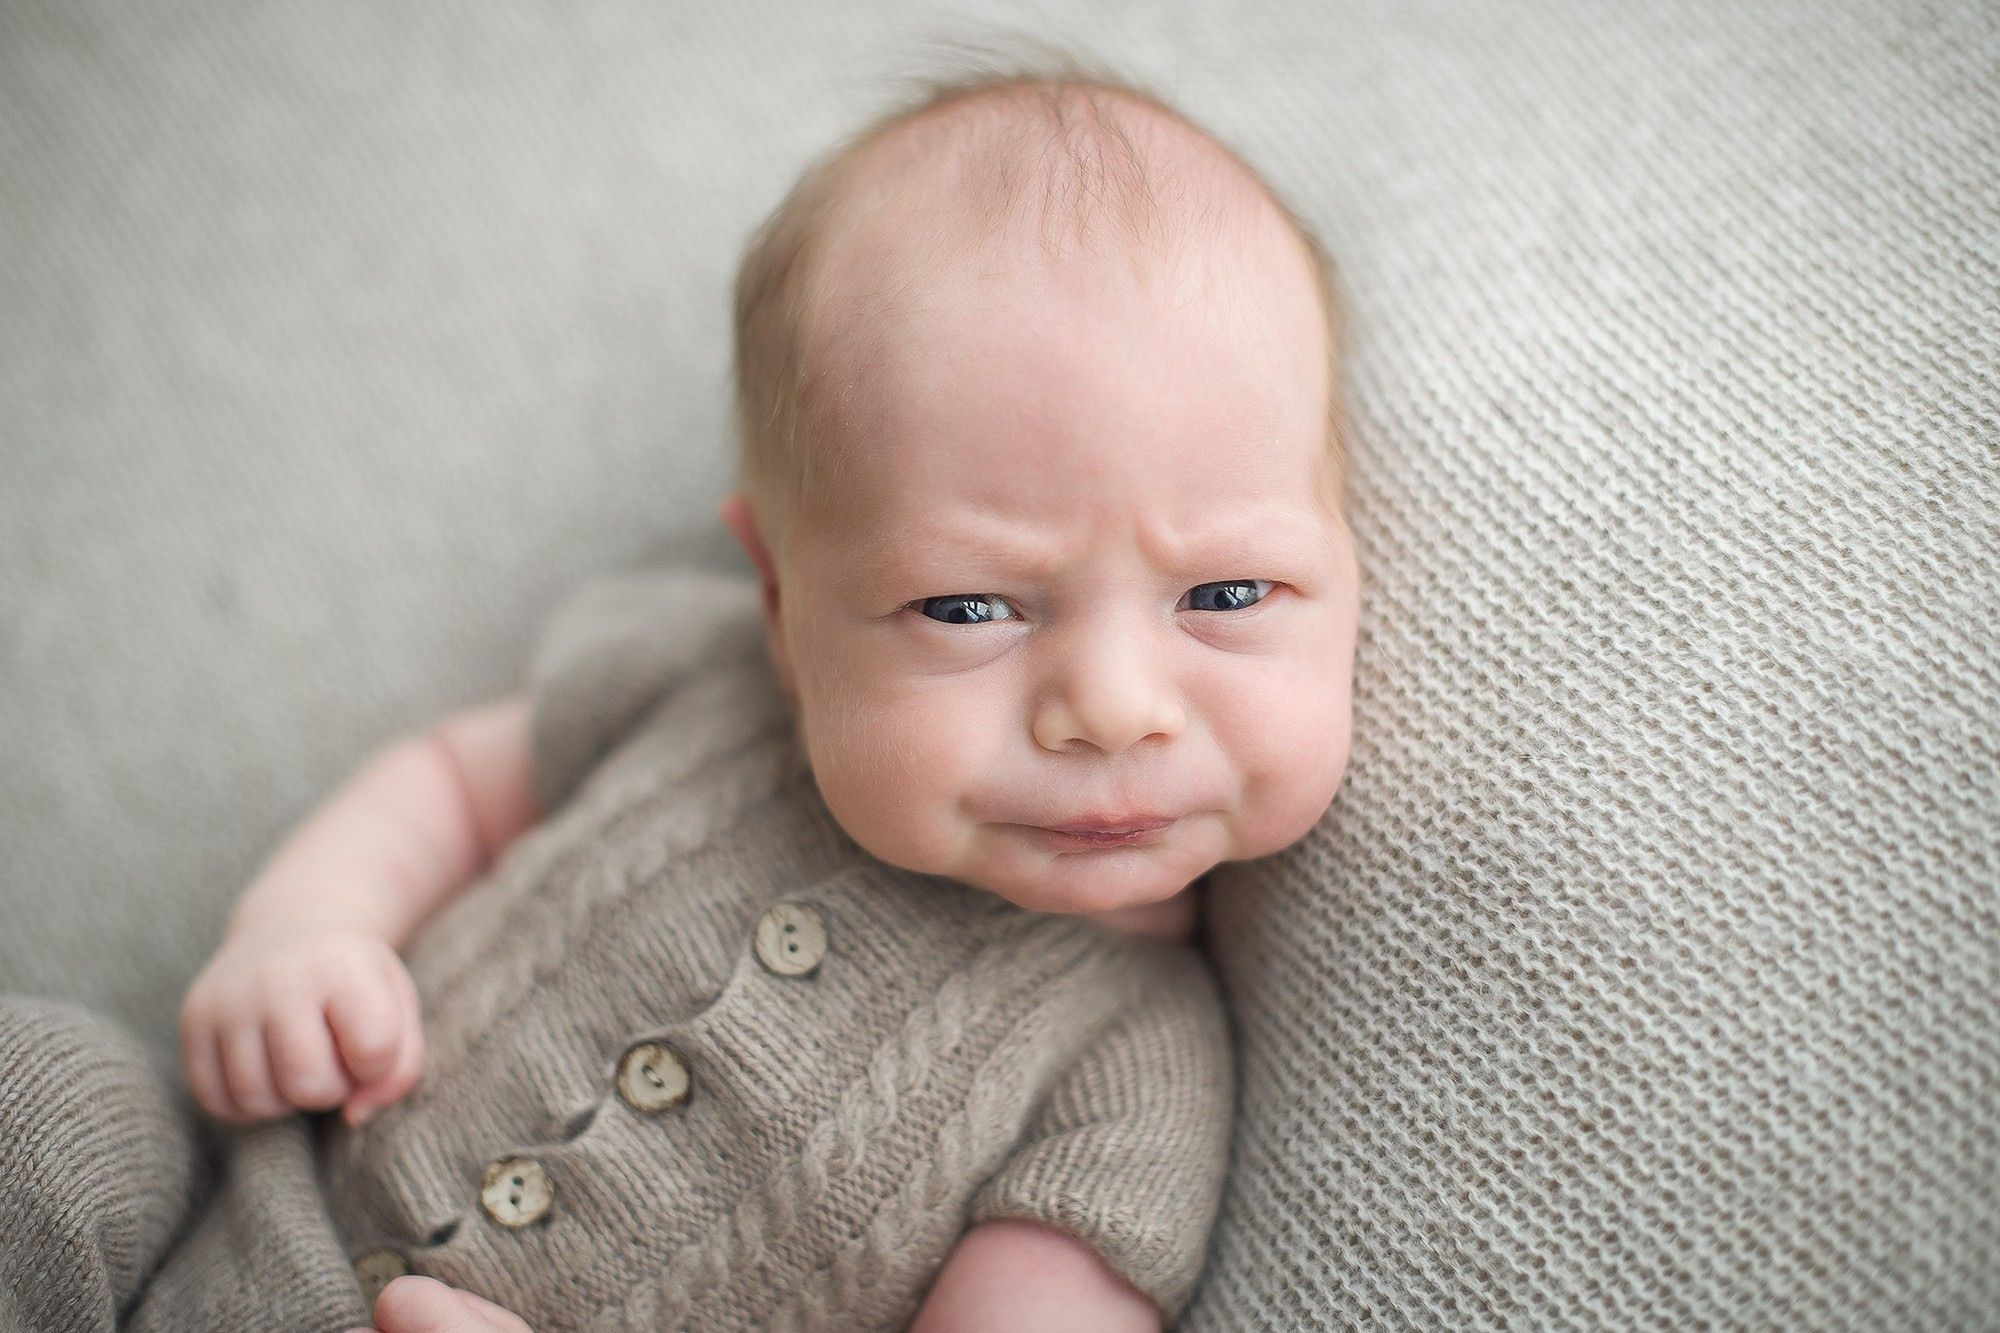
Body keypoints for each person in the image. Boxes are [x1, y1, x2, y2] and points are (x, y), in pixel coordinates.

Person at [1, 67, 1360, 1333]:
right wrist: (306, 928)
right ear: (779, 600)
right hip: (226, 1209)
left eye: (1228, 592)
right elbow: (450, 784)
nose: (1113, 707)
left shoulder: (1130, 1081)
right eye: (967, 608)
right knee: (39, 1095)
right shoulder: (704, 680)